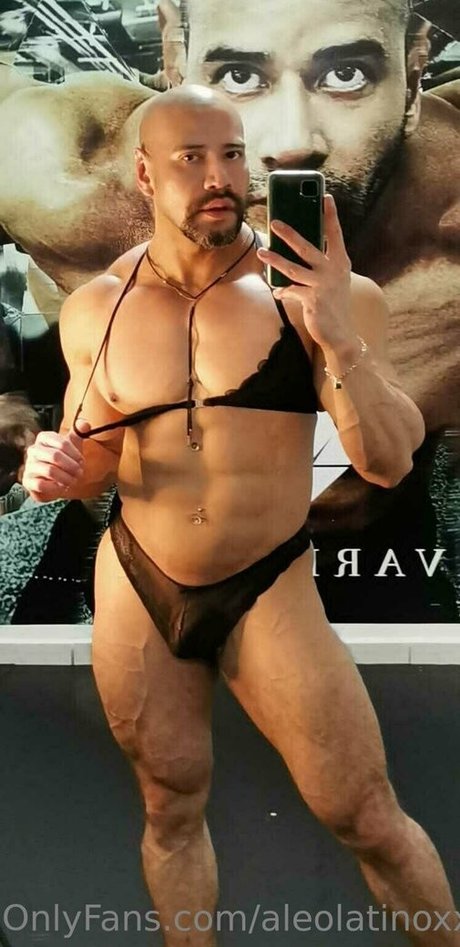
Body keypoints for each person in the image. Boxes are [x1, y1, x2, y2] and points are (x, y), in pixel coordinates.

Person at [22, 86, 459, 947]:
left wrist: (337, 334)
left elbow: (387, 461)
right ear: (145, 176)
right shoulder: (97, 308)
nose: (220, 177)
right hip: (138, 580)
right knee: (169, 807)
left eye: (231, 154)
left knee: (366, 812)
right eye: (192, 158)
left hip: (266, 582)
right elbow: (90, 461)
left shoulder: (323, 296)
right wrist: (53, 467)